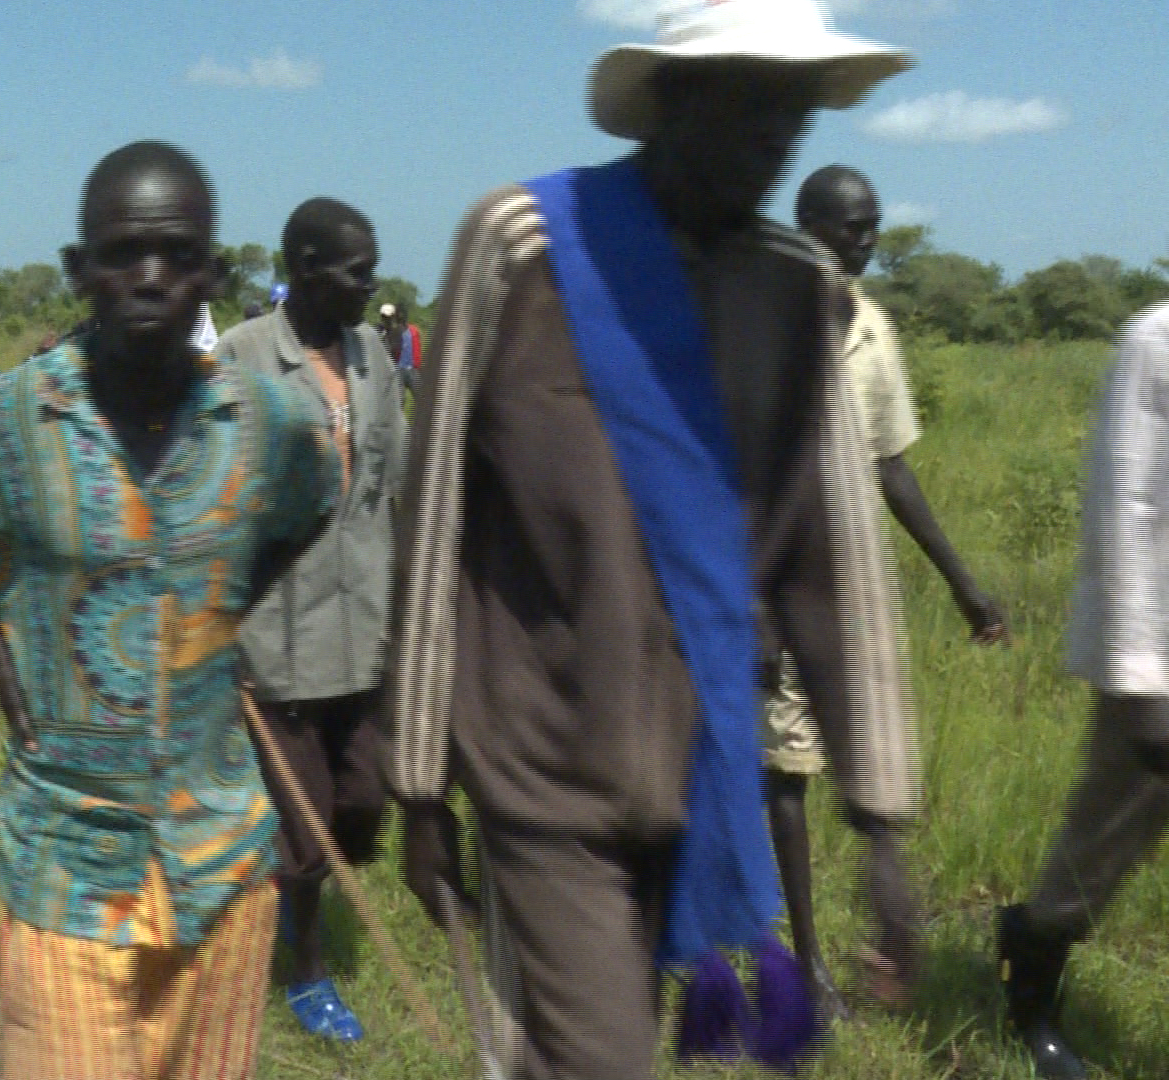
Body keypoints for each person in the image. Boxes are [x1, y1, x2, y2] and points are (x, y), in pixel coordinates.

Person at [385, 3, 917, 1076]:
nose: (777, 136)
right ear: (671, 97)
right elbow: (432, 507)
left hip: (709, 762)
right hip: (543, 761)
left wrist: (883, 819)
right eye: (750, 100)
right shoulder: (523, 248)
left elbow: (835, 566)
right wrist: (416, 779)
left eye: (796, 111)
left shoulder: (796, 288)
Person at [0, 140, 338, 1080]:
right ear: (79, 270)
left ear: (213, 274)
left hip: (224, 867)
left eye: (179, 256)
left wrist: (226, 615)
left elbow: (317, 498)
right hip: (67, 872)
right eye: (121, 254)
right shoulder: (2, 423)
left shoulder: (266, 423)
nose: (151, 279)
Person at [764, 163, 1009, 1016]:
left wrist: (965, 587)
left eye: (872, 226)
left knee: (873, 756)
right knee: (786, 769)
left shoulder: (871, 327)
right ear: (807, 228)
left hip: (853, 584)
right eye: (848, 228)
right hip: (775, 584)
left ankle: (886, 909)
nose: (863, 242)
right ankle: (808, 960)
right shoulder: (762, 324)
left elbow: (892, 470)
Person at [217, 197, 405, 1041]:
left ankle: (272, 889)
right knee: (305, 824)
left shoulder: (377, 357)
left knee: (364, 801)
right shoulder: (243, 358)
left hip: (365, 630)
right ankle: (306, 974)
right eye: (355, 270)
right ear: (302, 267)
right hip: (277, 635)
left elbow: (390, 491)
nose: (370, 285)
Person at [995, 300, 1169, 1080]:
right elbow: (1124, 501)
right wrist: (1142, 670)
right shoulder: (1154, 341)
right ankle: (1030, 990)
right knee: (1109, 831)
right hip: (1161, 644)